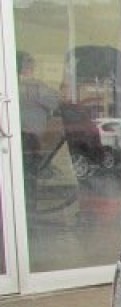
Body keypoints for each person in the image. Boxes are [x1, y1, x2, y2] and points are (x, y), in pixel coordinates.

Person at [17, 51, 60, 206]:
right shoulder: (33, 86)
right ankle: (28, 213)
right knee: (28, 178)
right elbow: (55, 101)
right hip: (27, 138)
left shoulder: (13, 85)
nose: (32, 66)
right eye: (29, 62)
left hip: (22, 137)